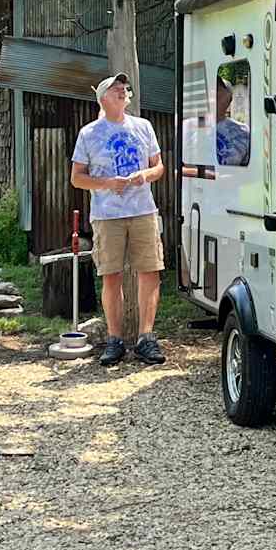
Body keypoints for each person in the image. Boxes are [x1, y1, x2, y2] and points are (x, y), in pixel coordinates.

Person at [70, 73, 166, 367]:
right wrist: (108, 183)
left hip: (143, 211)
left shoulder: (143, 127)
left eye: (124, 89)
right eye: (115, 89)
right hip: (107, 215)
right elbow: (77, 179)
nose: (122, 92)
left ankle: (146, 338)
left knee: (150, 272)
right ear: (103, 99)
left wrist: (144, 176)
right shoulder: (88, 133)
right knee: (111, 275)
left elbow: (159, 167)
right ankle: (114, 340)